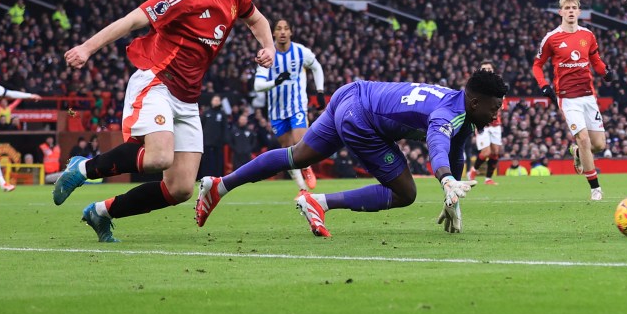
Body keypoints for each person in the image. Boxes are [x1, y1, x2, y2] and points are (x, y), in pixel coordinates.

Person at [54, 0, 275, 242]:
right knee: (159, 157)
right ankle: (84, 169)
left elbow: (258, 21)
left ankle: (101, 212)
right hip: (157, 81)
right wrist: (88, 48)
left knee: (181, 187)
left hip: (187, 96)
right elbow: (134, 19)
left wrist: (267, 48)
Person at [195, 69, 509, 237]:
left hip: (353, 92)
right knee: (405, 193)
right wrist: (444, 181)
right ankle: (318, 202)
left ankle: (219, 185)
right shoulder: (448, 114)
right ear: (475, 102)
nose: (497, 116)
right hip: (362, 119)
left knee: (296, 156)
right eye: (494, 108)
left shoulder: (464, 115)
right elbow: (439, 145)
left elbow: (455, 155)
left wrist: (452, 193)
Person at [532, 0, 614, 201]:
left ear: (579, 11)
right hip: (568, 98)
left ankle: (577, 152)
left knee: (599, 145)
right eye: (566, 8)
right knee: (584, 138)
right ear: (560, 12)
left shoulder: (588, 35)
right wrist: (544, 85)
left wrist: (605, 72)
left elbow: (595, 60)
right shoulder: (552, 38)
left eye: (573, 8)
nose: (570, 11)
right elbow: (537, 65)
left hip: (588, 96)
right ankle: (595, 188)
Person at [252, 18, 325, 191]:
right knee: (287, 149)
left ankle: (306, 167)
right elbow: (257, 86)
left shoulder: (301, 52)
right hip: (276, 111)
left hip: (297, 105)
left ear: (291, 32)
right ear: (274, 33)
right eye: (279, 28)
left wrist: (320, 91)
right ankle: (302, 190)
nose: (283, 32)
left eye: (286, 28)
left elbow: (317, 67)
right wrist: (276, 82)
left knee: (300, 142)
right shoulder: (267, 55)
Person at [467, 61, 503, 186]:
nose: (487, 70)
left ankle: (488, 179)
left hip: (496, 124)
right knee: (486, 152)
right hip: (483, 122)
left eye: (489, 68)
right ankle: (473, 170)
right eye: (484, 68)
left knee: (495, 152)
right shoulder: (477, 86)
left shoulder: (498, 85)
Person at [200, 95, 229, 178]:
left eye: (217, 100)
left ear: (220, 102)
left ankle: (218, 177)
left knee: (218, 160)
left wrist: (225, 140)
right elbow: (201, 126)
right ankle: (205, 177)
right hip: (206, 142)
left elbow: (225, 128)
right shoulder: (206, 113)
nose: (216, 102)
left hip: (218, 143)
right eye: (214, 100)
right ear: (212, 101)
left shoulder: (222, 114)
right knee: (206, 160)